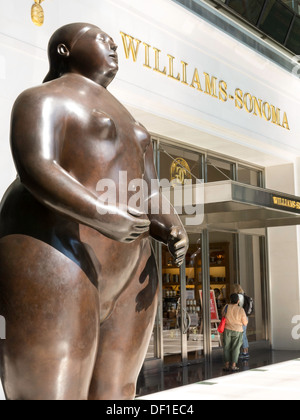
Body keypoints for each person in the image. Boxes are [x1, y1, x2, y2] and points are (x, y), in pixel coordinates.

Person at [0, 23, 188, 400]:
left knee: (117, 390)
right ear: (65, 50)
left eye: (114, 42)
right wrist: (104, 214)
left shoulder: (129, 120)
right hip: (58, 248)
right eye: (101, 39)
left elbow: (149, 185)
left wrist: (171, 223)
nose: (112, 46)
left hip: (131, 263)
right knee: (52, 387)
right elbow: (36, 166)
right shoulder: (41, 99)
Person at [223, 293, 248, 372]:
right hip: (237, 330)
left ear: (230, 300)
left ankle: (226, 365)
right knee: (236, 348)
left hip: (227, 329)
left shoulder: (226, 307)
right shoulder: (240, 309)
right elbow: (245, 322)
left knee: (226, 347)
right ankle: (233, 365)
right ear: (238, 301)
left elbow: (223, 316)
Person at [233, 284, 250, 360]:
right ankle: (245, 351)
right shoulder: (244, 295)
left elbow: (237, 308)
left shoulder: (238, 297)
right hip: (245, 317)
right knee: (244, 334)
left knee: (242, 335)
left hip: (241, 317)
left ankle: (245, 352)